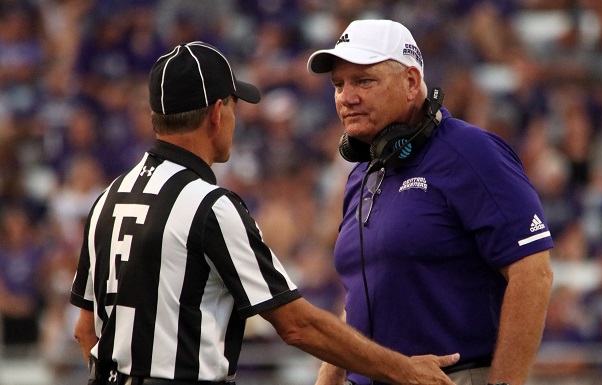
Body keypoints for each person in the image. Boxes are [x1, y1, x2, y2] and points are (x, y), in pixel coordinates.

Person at [69, 41, 460, 385]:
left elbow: (85, 331)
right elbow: (298, 325)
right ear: (217, 114)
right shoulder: (209, 206)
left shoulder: (107, 198)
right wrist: (404, 371)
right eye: (236, 108)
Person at [307, 20, 555, 385]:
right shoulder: (362, 174)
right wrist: (329, 378)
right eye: (338, 85)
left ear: (410, 82)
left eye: (364, 81)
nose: (346, 97)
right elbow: (362, 297)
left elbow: (533, 273)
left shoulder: (472, 153)